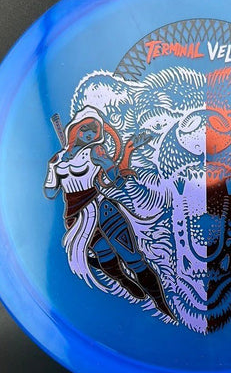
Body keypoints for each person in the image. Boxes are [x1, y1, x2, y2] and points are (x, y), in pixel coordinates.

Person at [43, 106, 174, 319]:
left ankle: (161, 303)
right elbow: (50, 192)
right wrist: (53, 169)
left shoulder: (94, 152)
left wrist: (107, 162)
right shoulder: (57, 161)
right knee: (105, 256)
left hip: (103, 209)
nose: (89, 134)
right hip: (77, 218)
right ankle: (124, 281)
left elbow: (113, 179)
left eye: (94, 130)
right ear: (75, 129)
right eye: (85, 129)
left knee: (133, 258)